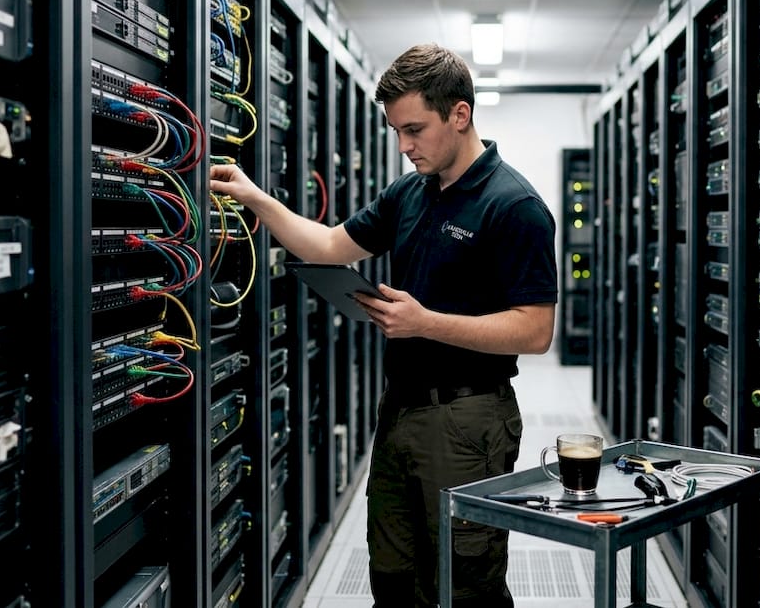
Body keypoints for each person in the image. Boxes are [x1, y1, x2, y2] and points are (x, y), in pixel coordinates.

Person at [210, 42, 558, 607]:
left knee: (464, 586)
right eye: (397, 131)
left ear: (460, 114)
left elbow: (535, 330)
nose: (404, 146)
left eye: (414, 130)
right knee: (393, 579)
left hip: (469, 420)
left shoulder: (514, 205)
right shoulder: (409, 193)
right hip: (400, 411)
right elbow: (328, 246)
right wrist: (255, 198)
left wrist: (426, 323)